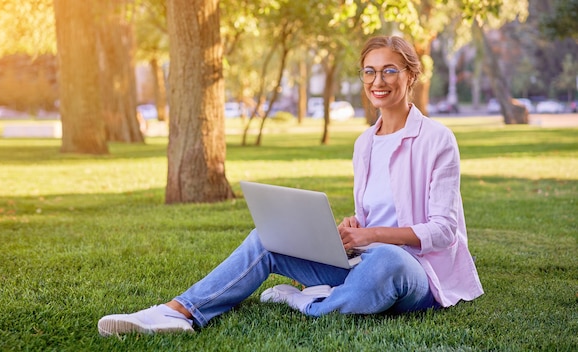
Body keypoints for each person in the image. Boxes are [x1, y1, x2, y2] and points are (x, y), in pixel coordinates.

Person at [97, 35, 484, 336]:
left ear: (410, 76)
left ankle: (306, 304)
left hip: (416, 274)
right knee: (269, 237)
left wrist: (370, 235)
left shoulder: (437, 139)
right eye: (369, 71)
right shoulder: (365, 142)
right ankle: (181, 311)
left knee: (387, 259)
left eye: (389, 70)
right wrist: (353, 228)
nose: (377, 80)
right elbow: (373, 213)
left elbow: (443, 230)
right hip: (364, 260)